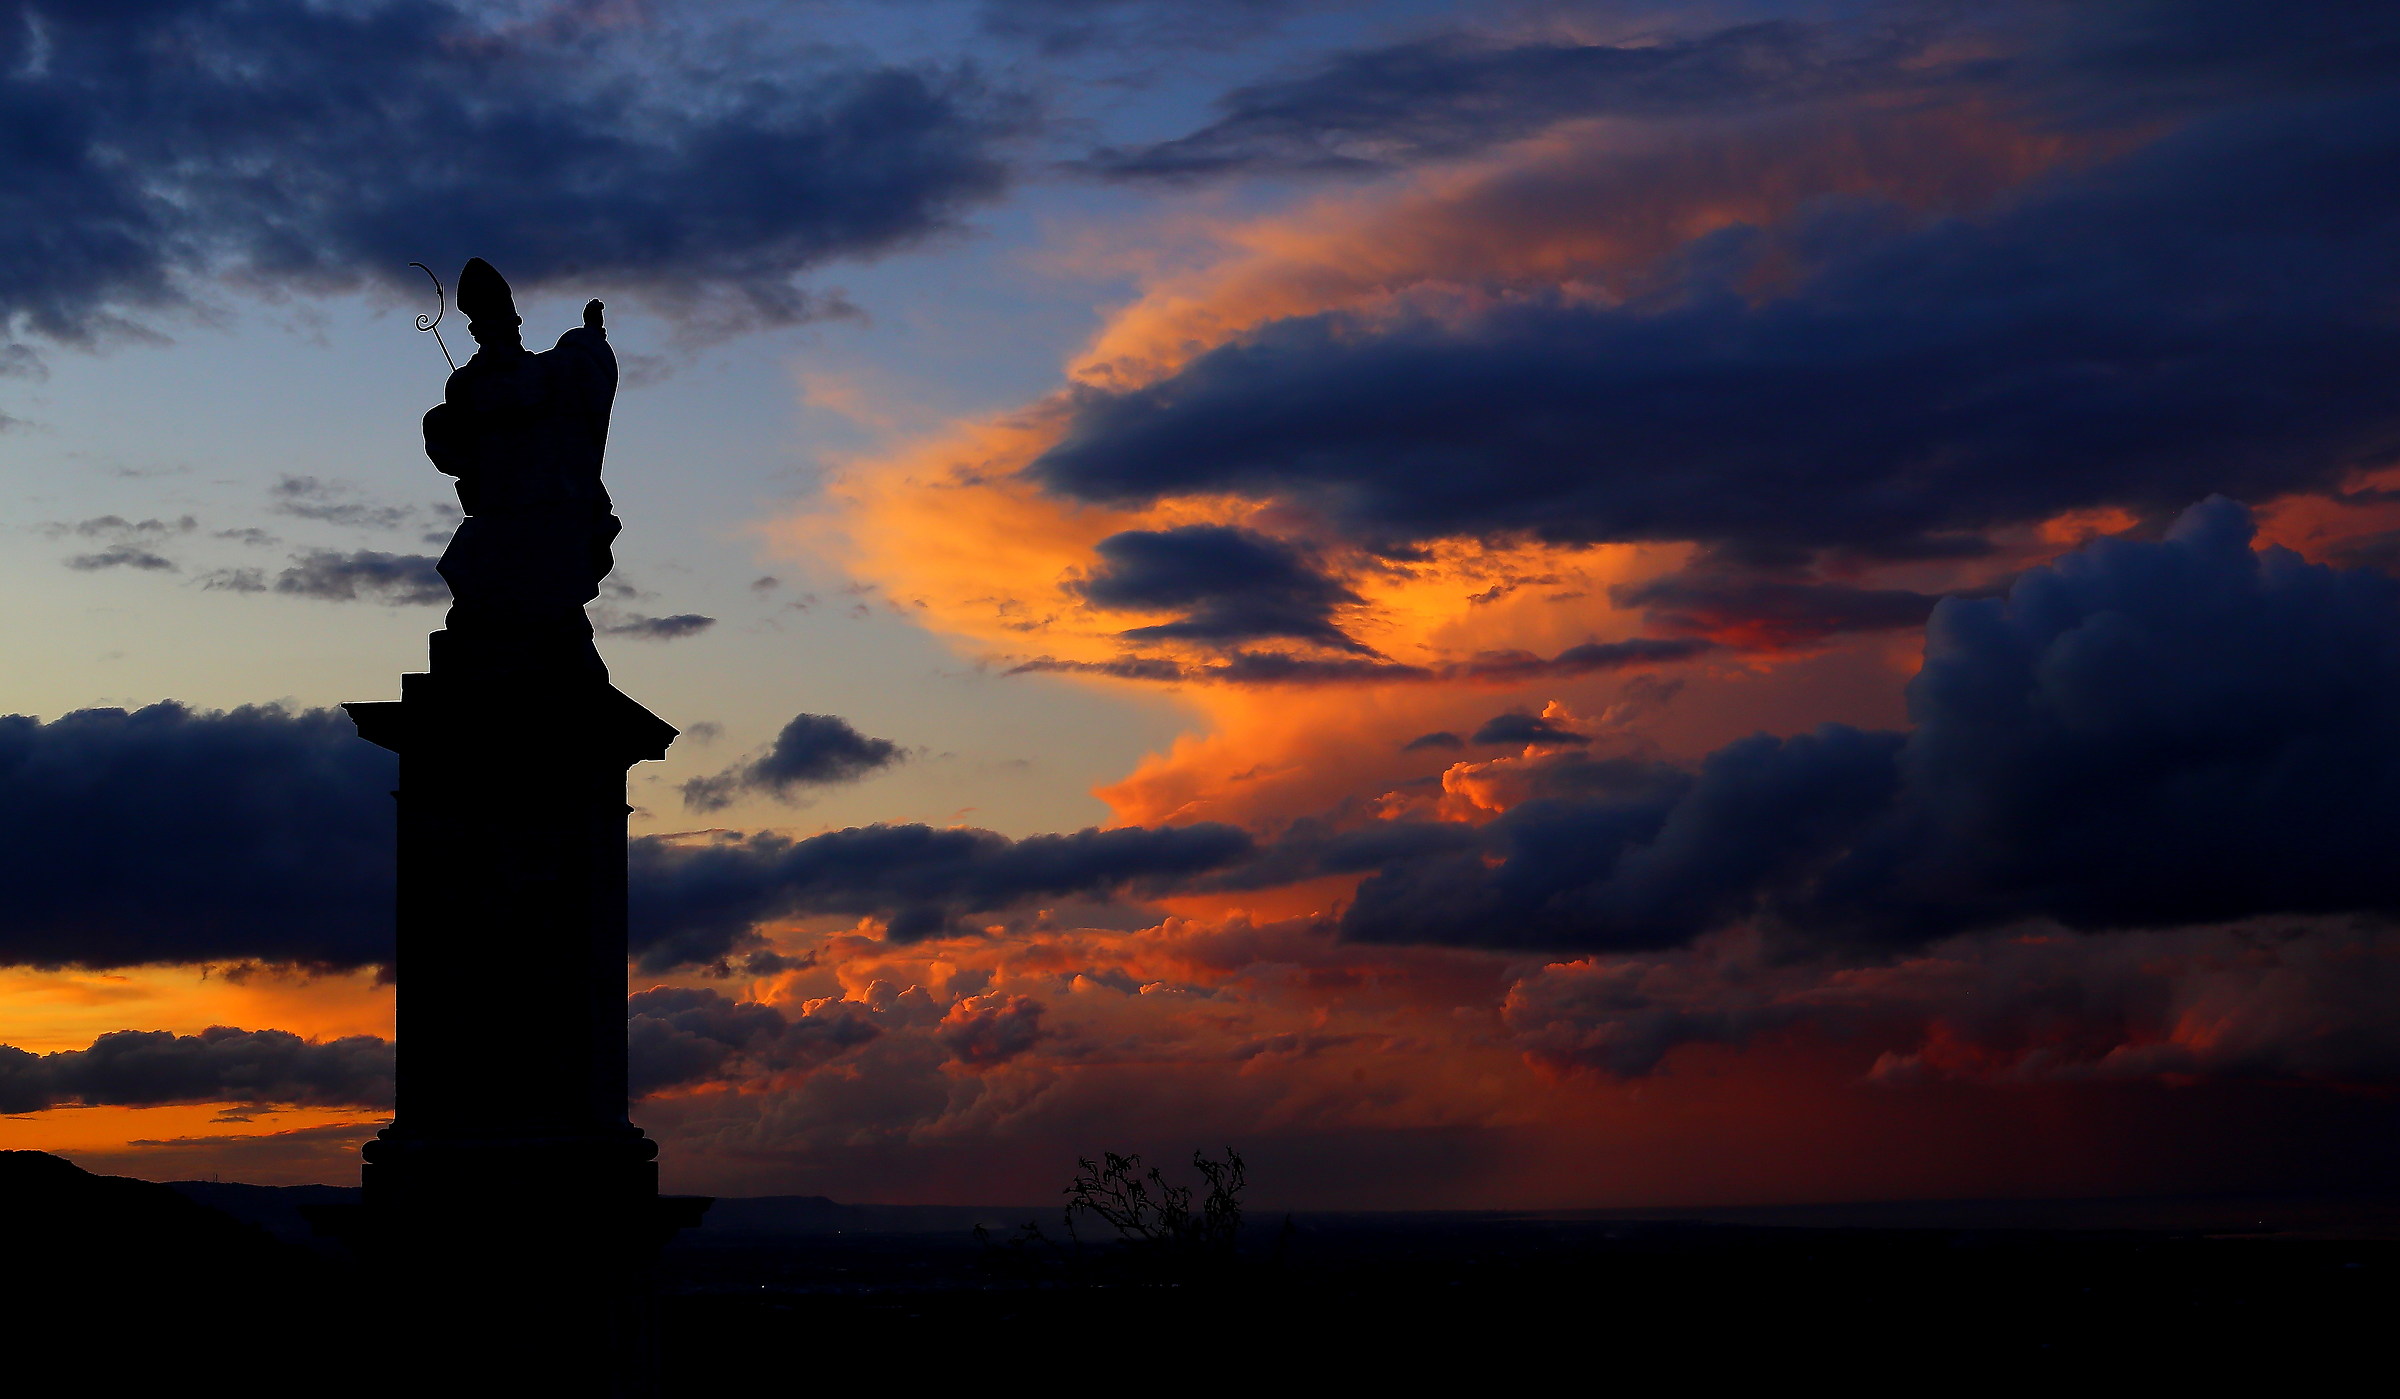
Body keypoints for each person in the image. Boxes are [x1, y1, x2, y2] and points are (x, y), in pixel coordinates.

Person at [421, 258, 620, 683]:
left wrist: (590, 337)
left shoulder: (543, 372)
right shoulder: (471, 383)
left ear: (514, 324)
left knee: (546, 586)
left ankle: (553, 643)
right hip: (502, 506)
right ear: (476, 330)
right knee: (479, 576)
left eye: (502, 323)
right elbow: (451, 448)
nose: (495, 333)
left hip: (547, 503)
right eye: (484, 325)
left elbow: (579, 367)